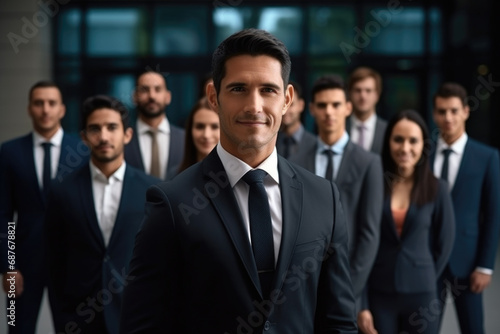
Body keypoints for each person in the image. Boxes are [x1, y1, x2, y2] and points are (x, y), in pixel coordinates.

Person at [119, 28, 357, 333]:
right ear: (213, 97)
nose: (254, 106)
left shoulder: (324, 198)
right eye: (238, 88)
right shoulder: (172, 203)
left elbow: (338, 322)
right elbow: (142, 325)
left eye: (268, 90)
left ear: (287, 99)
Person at [44, 95, 159, 334]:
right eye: (95, 129)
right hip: (80, 319)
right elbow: (54, 264)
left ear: (127, 135)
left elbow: (162, 260)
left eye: (111, 128)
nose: (104, 136)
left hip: (136, 317)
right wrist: (62, 321)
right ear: (84, 137)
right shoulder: (61, 192)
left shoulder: (153, 190)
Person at [0, 80, 88, 334]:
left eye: (51, 103)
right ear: (30, 109)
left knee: (73, 327)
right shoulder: (10, 152)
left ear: (62, 109)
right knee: (17, 326)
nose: (45, 109)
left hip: (71, 263)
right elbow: (4, 215)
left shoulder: (82, 150)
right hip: (22, 263)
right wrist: (8, 266)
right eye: (39, 103)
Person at [290, 74, 383, 313]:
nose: (329, 112)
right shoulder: (295, 161)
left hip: (350, 282)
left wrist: (350, 288)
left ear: (348, 108)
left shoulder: (369, 163)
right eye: (322, 105)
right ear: (311, 109)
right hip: (303, 284)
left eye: (336, 105)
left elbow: (369, 233)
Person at [358, 110, 455, 334]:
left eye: (413, 141)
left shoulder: (437, 188)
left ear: (424, 144)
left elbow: (445, 243)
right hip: (379, 293)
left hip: (422, 294)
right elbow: (362, 243)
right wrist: (361, 304)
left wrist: (425, 273)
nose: (405, 148)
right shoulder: (375, 184)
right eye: (398, 139)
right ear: (388, 141)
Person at [431, 82, 500, 334]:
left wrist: (485, 266)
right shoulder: (422, 156)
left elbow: (493, 214)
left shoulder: (487, 157)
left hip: (469, 263)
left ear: (465, 111)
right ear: (434, 113)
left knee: (473, 329)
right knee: (424, 328)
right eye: (441, 111)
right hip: (429, 260)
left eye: (453, 110)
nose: (447, 117)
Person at [124, 70, 185, 180]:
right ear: (135, 96)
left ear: (168, 97)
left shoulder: (185, 139)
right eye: (144, 90)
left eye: (158, 89)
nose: (152, 96)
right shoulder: (123, 140)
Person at [346, 66, 387, 154]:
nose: (363, 96)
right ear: (349, 94)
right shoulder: (339, 127)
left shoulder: (388, 131)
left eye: (368, 91)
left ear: (377, 95)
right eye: (358, 90)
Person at [177, 97, 220, 173]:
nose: (206, 135)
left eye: (214, 127)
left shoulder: (237, 177)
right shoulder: (174, 176)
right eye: (200, 127)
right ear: (190, 129)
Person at [276, 80, 316, 159]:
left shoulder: (315, 144)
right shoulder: (271, 143)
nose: (285, 110)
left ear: (301, 105)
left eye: (291, 104)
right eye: (281, 105)